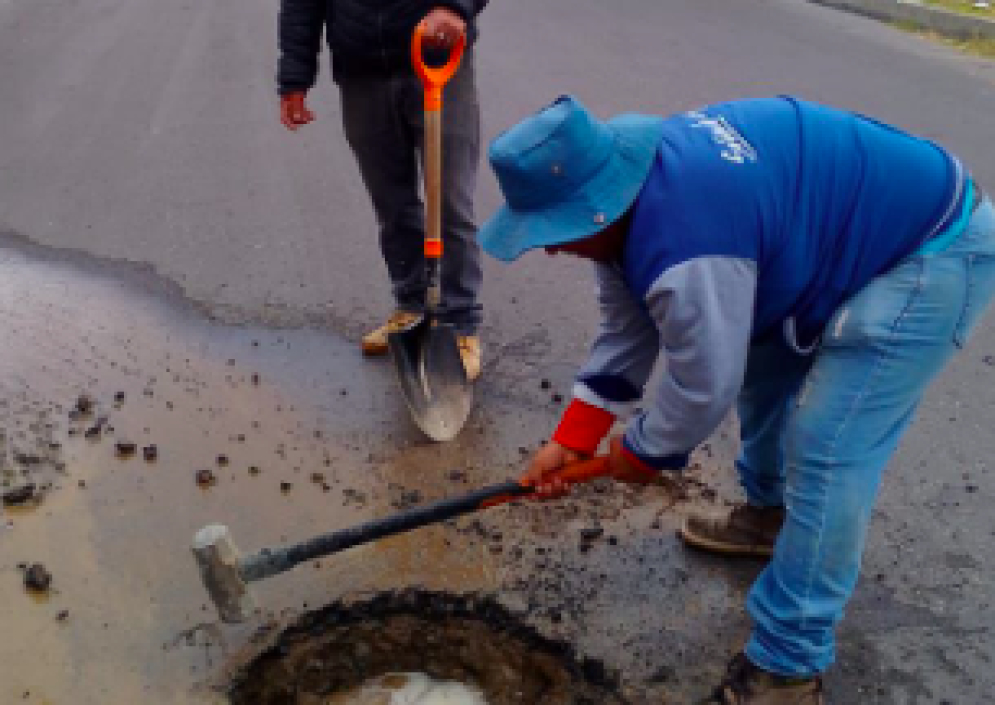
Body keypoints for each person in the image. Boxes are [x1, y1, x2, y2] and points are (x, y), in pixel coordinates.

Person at [478, 95, 995, 704]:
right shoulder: (625, 203)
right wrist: (571, 439)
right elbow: (626, 331)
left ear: (596, 211)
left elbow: (702, 387)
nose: (551, 249)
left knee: (828, 447)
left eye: (555, 232)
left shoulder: (689, 245)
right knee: (763, 373)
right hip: (822, 240)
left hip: (932, 250)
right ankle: (769, 517)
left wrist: (643, 455)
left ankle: (788, 666)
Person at [277, 0, 487, 380]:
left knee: (451, 204)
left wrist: (456, 8)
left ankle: (460, 323)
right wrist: (295, 79)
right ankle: (411, 305)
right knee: (392, 205)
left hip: (437, 59)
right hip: (362, 72)